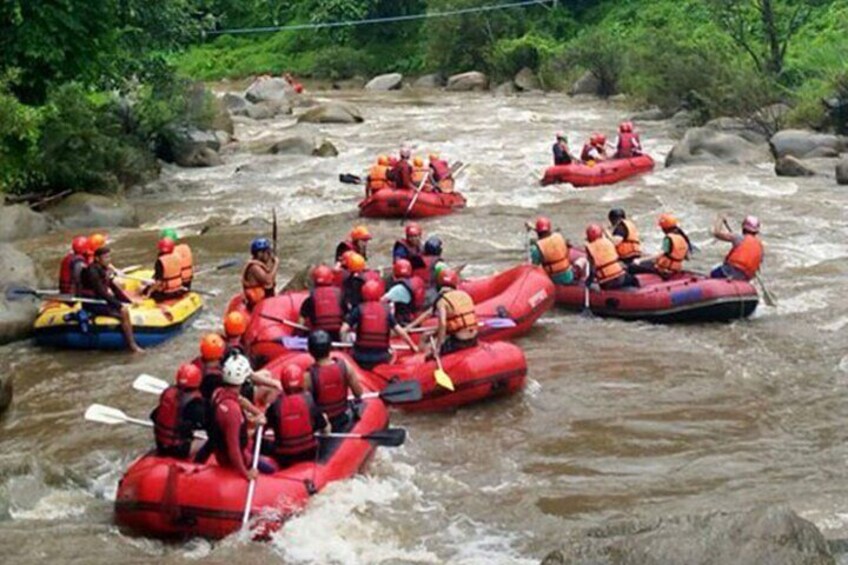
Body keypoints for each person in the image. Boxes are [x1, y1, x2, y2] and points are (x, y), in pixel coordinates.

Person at [207, 355, 275, 479]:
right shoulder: (233, 412)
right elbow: (234, 449)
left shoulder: (218, 393)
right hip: (234, 460)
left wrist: (258, 413)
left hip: (221, 452)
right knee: (271, 471)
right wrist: (246, 474)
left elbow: (241, 400)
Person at [340, 280, 418, 369]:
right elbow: (400, 332)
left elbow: (343, 330)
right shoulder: (386, 310)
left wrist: (344, 347)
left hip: (360, 357)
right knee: (392, 352)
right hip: (382, 358)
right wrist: (413, 346)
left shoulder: (359, 309)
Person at [80, 246, 143, 353]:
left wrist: (129, 301)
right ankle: (133, 345)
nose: (108, 259)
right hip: (92, 303)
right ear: (97, 258)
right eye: (105, 257)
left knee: (124, 307)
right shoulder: (92, 271)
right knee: (124, 312)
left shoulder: (103, 269)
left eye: (109, 257)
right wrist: (119, 305)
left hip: (100, 299)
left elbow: (113, 287)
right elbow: (101, 292)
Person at [264, 364, 329, 467]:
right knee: (324, 420)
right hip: (309, 452)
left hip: (284, 456)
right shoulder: (309, 400)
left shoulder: (274, 406)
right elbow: (323, 426)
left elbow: (263, 428)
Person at [307, 330, 363, 431]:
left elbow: (305, 407)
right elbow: (358, 393)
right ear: (330, 348)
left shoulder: (307, 376)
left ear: (310, 351)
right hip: (342, 418)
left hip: (321, 424)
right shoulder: (345, 366)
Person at [151, 363, 206, 459]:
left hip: (160, 446)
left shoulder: (168, 394)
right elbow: (206, 424)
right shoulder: (194, 403)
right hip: (178, 450)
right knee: (209, 440)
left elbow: (153, 416)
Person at [430, 268, 478, 356]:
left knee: (429, 355)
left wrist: (438, 347)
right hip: (474, 338)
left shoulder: (442, 301)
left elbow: (443, 324)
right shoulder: (465, 295)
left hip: (459, 341)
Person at [632, 214, 693, 279]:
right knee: (649, 262)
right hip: (675, 268)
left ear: (664, 228)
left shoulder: (668, 238)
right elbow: (684, 257)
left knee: (632, 266)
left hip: (664, 269)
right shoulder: (682, 237)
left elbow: (660, 254)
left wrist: (640, 260)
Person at [298, 264, 347, 341]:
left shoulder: (311, 297)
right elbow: (347, 315)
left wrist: (299, 333)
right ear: (331, 277)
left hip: (318, 335)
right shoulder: (340, 294)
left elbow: (301, 319)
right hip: (336, 335)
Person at [584, 224, 639, 290]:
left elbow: (592, 270)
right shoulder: (609, 242)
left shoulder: (589, 248)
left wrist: (588, 282)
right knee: (633, 279)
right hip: (619, 278)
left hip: (606, 282)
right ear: (601, 234)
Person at [710, 215, 764, 281]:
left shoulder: (738, 237)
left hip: (728, 272)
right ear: (756, 231)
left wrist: (720, 219)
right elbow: (757, 267)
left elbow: (716, 233)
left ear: (743, 228)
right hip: (744, 278)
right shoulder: (760, 246)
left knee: (713, 273)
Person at [527, 216, 577, 286]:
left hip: (554, 280)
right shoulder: (559, 237)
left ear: (538, 233)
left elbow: (534, 268)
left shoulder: (537, 248)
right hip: (569, 276)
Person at [385, 259, 426, 325]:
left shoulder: (398, 289)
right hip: (417, 317)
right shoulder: (417, 282)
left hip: (403, 321)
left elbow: (381, 301)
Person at [242, 237, 278, 311]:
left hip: (263, 302)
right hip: (256, 305)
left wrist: (272, 262)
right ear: (259, 253)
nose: (268, 254)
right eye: (266, 252)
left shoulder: (261, 264)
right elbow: (268, 281)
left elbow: (269, 272)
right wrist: (276, 264)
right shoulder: (254, 267)